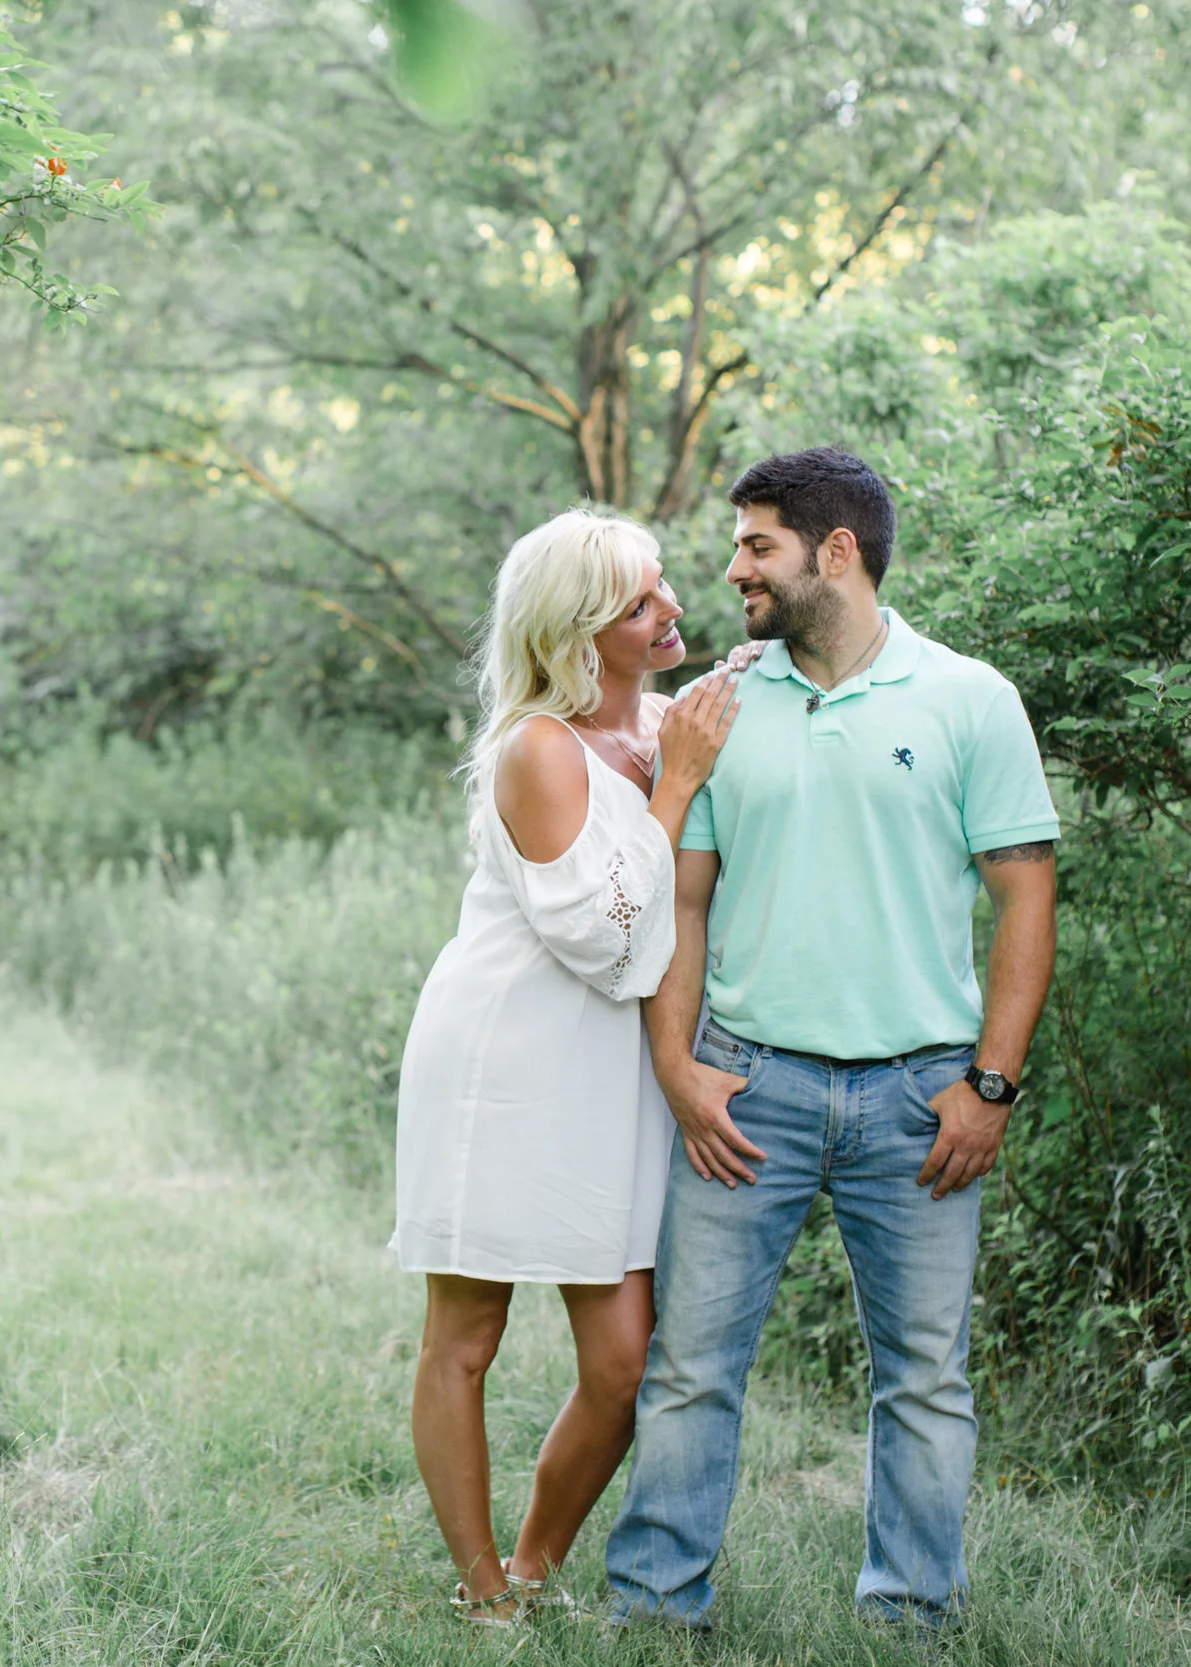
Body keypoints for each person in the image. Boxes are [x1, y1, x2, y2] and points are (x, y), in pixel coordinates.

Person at [604, 448, 1060, 1629]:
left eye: (756, 544)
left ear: (836, 551)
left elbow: (1025, 897)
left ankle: (910, 1618)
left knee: (924, 1379)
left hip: (921, 1099)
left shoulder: (968, 697)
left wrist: (990, 1084)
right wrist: (676, 1064)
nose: (732, 567)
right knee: (692, 1364)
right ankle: (655, 1612)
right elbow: (681, 899)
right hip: (746, 1089)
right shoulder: (714, 706)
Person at [390, 507, 751, 1625]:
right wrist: (676, 787)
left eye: (663, 590)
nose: (673, 608)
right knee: (468, 1334)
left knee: (623, 1361)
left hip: (613, 1073)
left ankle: (537, 1557)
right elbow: (600, 936)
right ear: (581, 630)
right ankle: (483, 1588)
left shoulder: (664, 724)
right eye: (643, 601)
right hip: (506, 1054)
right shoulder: (537, 747)